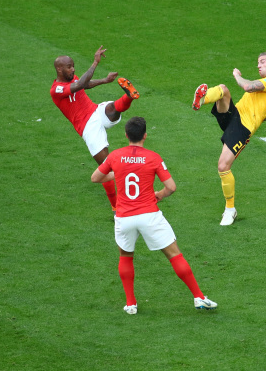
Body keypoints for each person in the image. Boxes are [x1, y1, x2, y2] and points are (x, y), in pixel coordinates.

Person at [91, 116, 217, 314]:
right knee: (174, 254)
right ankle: (199, 298)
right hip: (149, 215)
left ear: (126, 135)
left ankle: (131, 304)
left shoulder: (115, 156)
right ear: (145, 136)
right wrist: (159, 194)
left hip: (124, 217)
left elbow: (95, 177)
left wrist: (119, 173)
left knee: (125, 256)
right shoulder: (153, 157)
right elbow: (171, 187)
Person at [191, 52, 266, 226]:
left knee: (223, 166)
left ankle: (230, 209)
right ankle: (201, 100)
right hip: (235, 115)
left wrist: (237, 76)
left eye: (262, 62)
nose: (258, 65)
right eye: (258, 62)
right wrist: (263, 114)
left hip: (243, 127)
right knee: (223, 90)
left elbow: (248, 87)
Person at [51, 45, 140, 214]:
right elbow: (80, 85)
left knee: (112, 109)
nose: (73, 69)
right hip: (87, 128)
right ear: (59, 69)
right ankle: (116, 208)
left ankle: (128, 96)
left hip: (94, 111)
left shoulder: (72, 78)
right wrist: (94, 63)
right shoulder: (57, 90)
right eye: (69, 67)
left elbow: (84, 84)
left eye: (73, 65)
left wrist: (105, 81)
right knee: (106, 167)